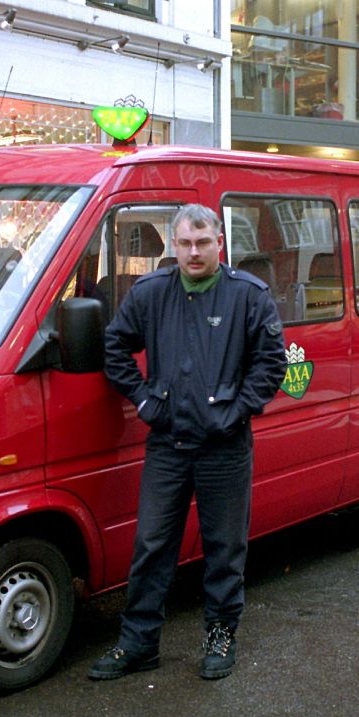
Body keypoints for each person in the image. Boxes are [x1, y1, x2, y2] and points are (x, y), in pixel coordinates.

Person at [88, 204, 287, 681]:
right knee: (152, 545)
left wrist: (236, 411)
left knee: (224, 548)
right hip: (168, 444)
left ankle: (221, 635)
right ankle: (138, 644)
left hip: (225, 447)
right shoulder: (151, 293)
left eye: (202, 243)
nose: (194, 252)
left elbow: (271, 363)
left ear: (219, 242)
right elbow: (114, 346)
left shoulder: (247, 295)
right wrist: (144, 399)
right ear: (173, 245)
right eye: (184, 244)